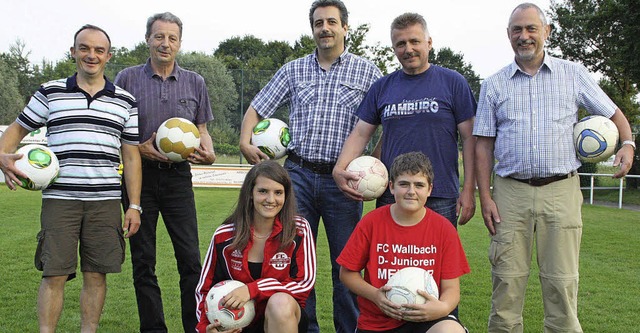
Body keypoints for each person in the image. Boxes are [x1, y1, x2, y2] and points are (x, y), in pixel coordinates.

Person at [474, 3, 636, 332]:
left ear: (546, 32)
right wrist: (485, 197)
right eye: (517, 30)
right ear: (508, 36)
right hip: (509, 193)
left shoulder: (573, 74)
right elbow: (483, 144)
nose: (524, 36)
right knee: (506, 287)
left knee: (561, 286)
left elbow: (614, 114)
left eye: (531, 28)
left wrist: (628, 143)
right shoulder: (493, 85)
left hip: (561, 191)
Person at [238, 1, 382, 331]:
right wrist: (246, 140)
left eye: (332, 21)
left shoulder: (368, 72)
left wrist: (374, 164)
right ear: (313, 29)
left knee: (346, 264)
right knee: (297, 264)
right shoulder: (293, 70)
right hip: (298, 176)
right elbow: (256, 108)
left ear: (345, 27)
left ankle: (350, 329)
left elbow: (385, 121)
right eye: (319, 22)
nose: (325, 28)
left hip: (342, 182)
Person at [0, 24, 141, 332]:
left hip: (105, 202)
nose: (91, 55)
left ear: (108, 56)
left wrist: (134, 206)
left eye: (99, 50)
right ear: (73, 51)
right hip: (59, 200)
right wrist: (2, 155)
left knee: (96, 275)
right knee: (54, 274)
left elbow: (131, 157)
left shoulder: (126, 101)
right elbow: (17, 129)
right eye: (85, 48)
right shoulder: (51, 92)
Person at [114, 12, 216, 333]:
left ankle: (193, 327)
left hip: (178, 179)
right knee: (144, 262)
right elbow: (113, 129)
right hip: (137, 178)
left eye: (172, 38)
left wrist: (208, 151)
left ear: (180, 43)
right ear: (148, 39)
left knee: (190, 261)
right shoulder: (127, 79)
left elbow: (201, 129)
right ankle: (154, 329)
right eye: (159, 36)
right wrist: (137, 147)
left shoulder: (194, 81)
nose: (165, 44)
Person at [333, 12, 477, 228]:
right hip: (393, 193)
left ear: (428, 43)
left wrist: (468, 189)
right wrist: (339, 168)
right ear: (394, 49)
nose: (408, 49)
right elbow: (361, 133)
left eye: (414, 41)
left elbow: (469, 138)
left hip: (439, 195)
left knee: (435, 260)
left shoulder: (453, 82)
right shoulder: (382, 87)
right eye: (401, 44)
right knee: (388, 259)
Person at [337, 152, 470, 333]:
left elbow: (452, 289)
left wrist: (442, 308)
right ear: (391, 187)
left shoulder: (444, 229)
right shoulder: (372, 222)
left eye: (419, 185)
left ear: (430, 189)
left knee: (450, 330)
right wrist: (376, 296)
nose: (411, 191)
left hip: (427, 320)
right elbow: (347, 274)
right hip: (377, 322)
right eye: (404, 184)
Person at [195, 161, 316, 333]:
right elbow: (204, 289)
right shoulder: (225, 235)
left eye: (278, 193)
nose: (271, 200)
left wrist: (252, 289)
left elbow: (304, 284)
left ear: (286, 196)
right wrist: (205, 328)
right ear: (250, 193)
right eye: (263, 191)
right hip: (236, 323)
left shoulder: (299, 230)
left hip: (282, 319)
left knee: (280, 303)